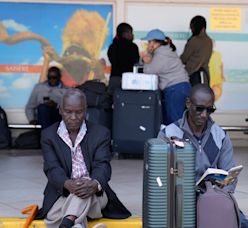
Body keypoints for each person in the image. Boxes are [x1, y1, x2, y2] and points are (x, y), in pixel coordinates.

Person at [35, 88, 131, 227]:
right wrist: (68, 184)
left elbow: (102, 165)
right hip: (62, 193)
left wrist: (94, 184)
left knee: (56, 215)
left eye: (79, 112)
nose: (73, 117)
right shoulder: (49, 135)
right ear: (60, 110)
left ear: (85, 110)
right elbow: (52, 168)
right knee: (64, 209)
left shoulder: (100, 133)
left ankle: (67, 222)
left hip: (94, 194)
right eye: (68, 112)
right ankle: (74, 222)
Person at [158, 84, 248, 227]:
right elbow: (159, 177)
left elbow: (229, 173)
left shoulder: (220, 136)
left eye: (210, 109)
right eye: (199, 109)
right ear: (188, 103)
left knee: (239, 221)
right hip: (181, 198)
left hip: (211, 196)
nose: (204, 114)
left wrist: (222, 192)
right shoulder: (168, 134)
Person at [142, 29, 191, 125]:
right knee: (179, 120)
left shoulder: (161, 54)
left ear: (154, 42)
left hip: (175, 89)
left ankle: (178, 140)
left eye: (149, 42)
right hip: (181, 87)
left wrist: (147, 60)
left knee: (175, 122)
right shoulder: (166, 51)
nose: (147, 44)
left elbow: (149, 71)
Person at [107, 22, 140, 95]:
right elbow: (136, 63)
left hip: (114, 79)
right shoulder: (133, 47)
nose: (132, 35)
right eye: (131, 33)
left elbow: (112, 61)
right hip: (129, 79)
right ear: (125, 34)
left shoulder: (112, 46)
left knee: (112, 101)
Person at [180, 15, 213, 86]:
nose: (191, 30)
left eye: (192, 27)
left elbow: (184, 59)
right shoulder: (209, 41)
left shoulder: (194, 41)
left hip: (192, 75)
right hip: (205, 76)